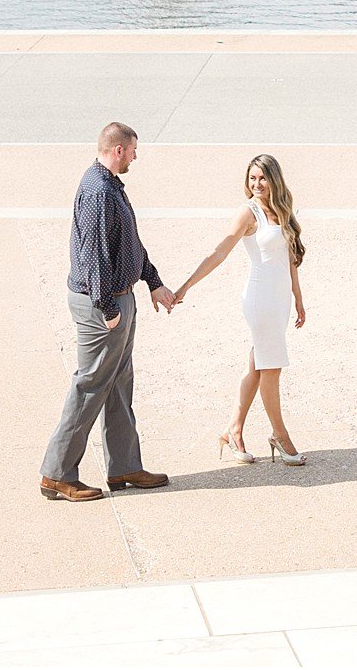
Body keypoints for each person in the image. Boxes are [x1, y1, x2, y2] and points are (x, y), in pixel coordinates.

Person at [38, 121, 176, 501]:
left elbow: (128, 243)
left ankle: (124, 466)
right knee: (90, 385)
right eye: (133, 150)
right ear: (118, 150)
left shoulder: (110, 184)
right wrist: (106, 306)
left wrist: (153, 281)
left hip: (118, 297)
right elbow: (94, 254)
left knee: (118, 383)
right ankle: (57, 474)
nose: (136, 156)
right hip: (104, 304)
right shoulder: (99, 190)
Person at [174, 153, 308, 465]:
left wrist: (298, 297)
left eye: (262, 178)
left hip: (280, 301)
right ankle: (280, 435)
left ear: (273, 178)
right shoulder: (248, 213)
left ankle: (233, 429)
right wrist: (186, 286)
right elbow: (220, 251)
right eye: (252, 179)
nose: (257, 184)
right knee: (271, 367)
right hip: (259, 300)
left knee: (257, 366)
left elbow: (290, 258)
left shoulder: (281, 209)